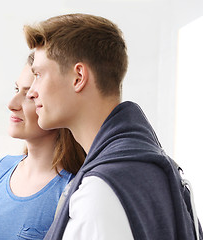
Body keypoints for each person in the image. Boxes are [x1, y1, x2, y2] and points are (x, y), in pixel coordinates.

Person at [24, 13, 203, 240]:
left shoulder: (98, 193)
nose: (32, 92)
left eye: (39, 74)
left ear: (78, 77)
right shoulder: (159, 170)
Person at [0, 53, 86, 240]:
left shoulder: (73, 188)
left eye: (29, 95)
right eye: (16, 89)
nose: (12, 104)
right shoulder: (0, 169)